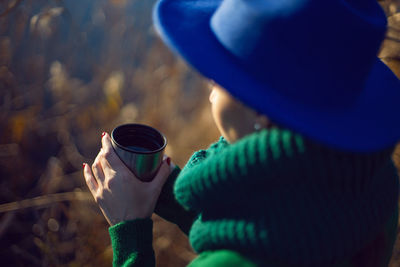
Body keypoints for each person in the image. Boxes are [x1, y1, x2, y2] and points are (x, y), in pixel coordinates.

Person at [82, 0, 400, 266]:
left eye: (222, 75)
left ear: (261, 108)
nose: (209, 81)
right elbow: (286, 228)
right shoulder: (375, 179)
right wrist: (167, 192)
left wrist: (130, 230)